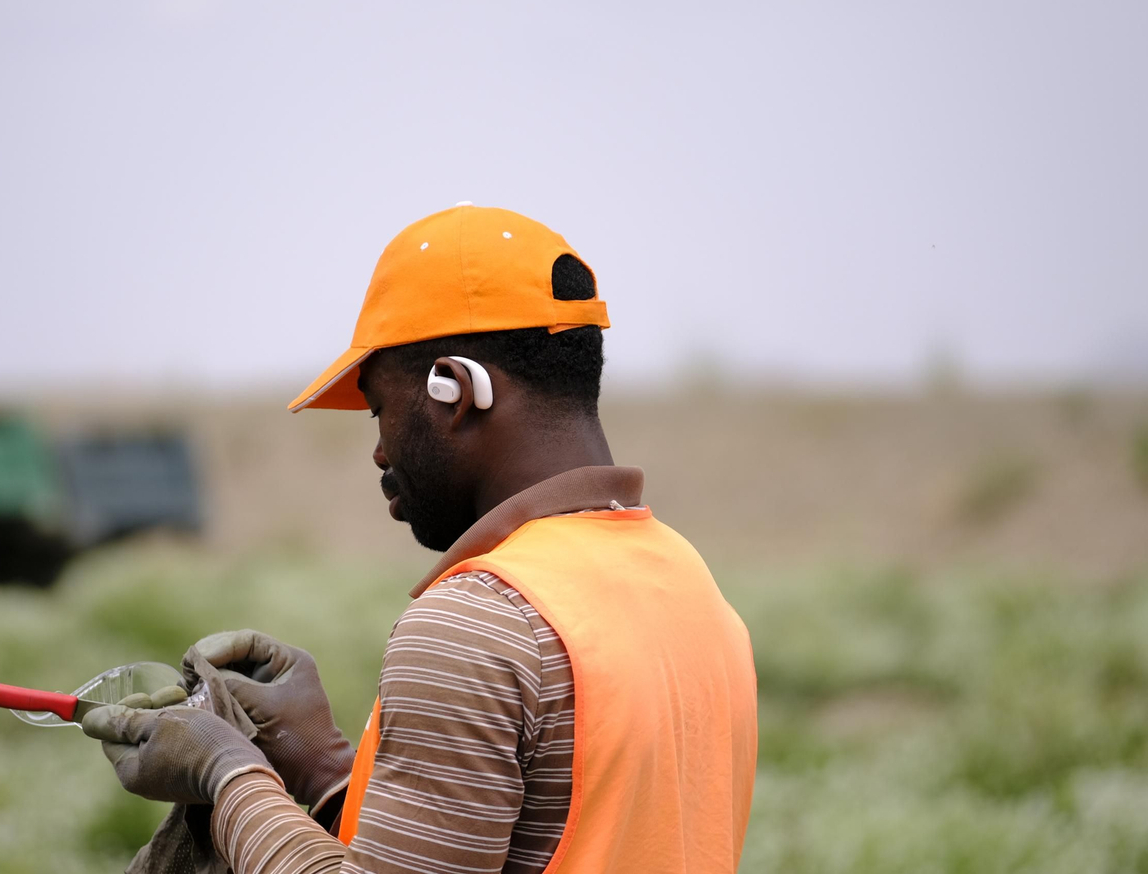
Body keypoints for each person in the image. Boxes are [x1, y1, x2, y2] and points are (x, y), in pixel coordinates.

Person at [83, 204, 758, 873]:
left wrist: (223, 769)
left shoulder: (476, 623)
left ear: (454, 389)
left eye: (381, 409)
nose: (378, 451)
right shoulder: (693, 589)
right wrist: (319, 764)